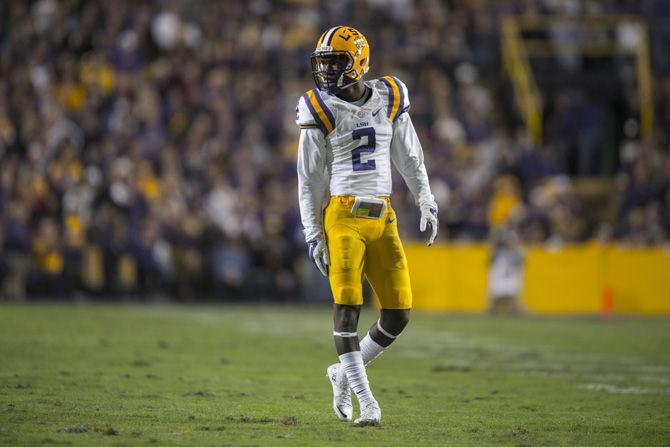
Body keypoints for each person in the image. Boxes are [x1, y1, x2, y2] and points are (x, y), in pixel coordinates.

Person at [295, 26, 438, 426]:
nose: (326, 71)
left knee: (398, 314)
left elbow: (410, 156)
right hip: (342, 217)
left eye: (335, 62)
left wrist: (425, 198)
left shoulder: (390, 94)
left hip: (383, 216)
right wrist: (313, 232)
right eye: (323, 63)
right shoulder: (316, 107)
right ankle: (367, 402)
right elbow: (310, 180)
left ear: (358, 61)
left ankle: (342, 372)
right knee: (347, 308)